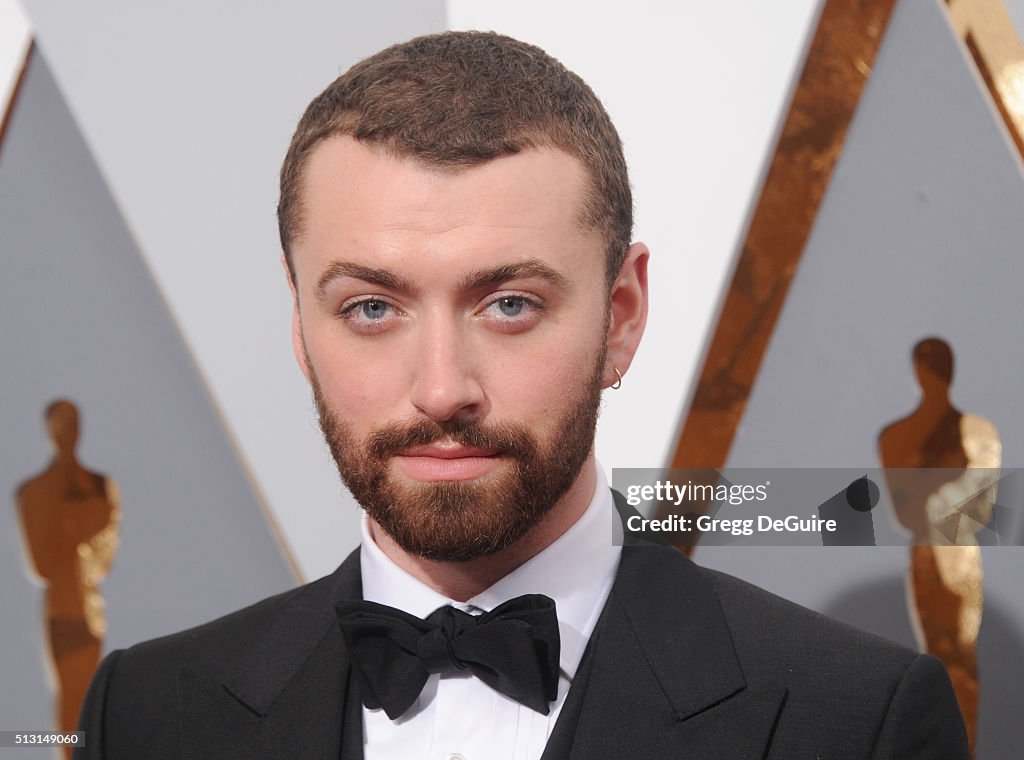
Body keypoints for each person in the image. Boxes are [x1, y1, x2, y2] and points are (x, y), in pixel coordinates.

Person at [76, 31, 968, 759]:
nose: (440, 389)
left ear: (620, 317)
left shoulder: (855, 724)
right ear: (300, 323)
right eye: (372, 307)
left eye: (509, 305)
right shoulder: (150, 715)